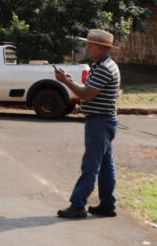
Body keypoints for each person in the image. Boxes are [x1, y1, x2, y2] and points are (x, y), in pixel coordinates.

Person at [55, 28, 121, 219]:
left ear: (102, 48)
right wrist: (70, 80)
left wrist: (66, 83)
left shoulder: (104, 68)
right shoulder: (102, 65)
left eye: (90, 46)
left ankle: (78, 205)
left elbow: (86, 95)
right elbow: (88, 90)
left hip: (100, 121)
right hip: (103, 120)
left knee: (91, 165)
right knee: (106, 165)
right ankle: (108, 204)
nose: (87, 49)